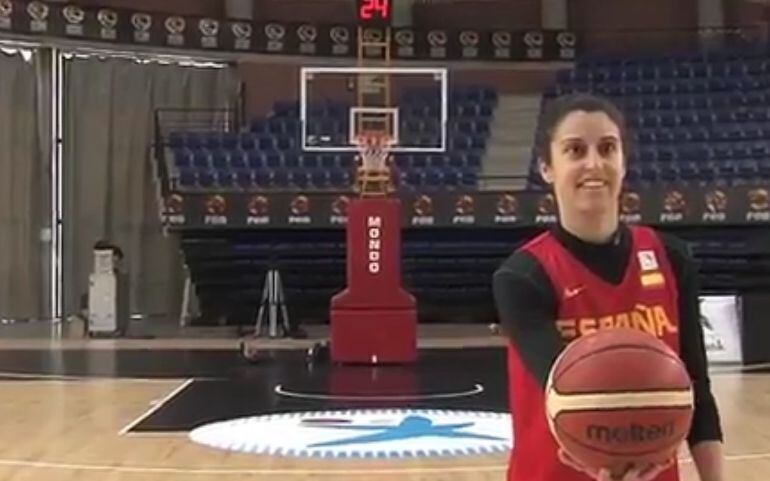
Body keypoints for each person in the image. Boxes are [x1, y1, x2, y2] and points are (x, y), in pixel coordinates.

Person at [492, 93, 725, 481]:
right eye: (574, 150)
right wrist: (611, 463)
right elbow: (568, 395)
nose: (594, 163)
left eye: (607, 148)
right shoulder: (523, 276)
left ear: (623, 160)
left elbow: (697, 390)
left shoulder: (671, 258)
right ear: (547, 168)